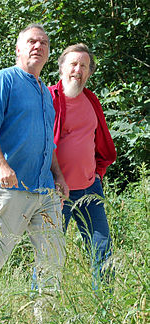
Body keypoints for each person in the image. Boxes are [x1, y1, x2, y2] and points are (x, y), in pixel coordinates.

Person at [0, 24, 69, 294]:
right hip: (9, 185)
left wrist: (58, 176)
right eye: (31, 41)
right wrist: (1, 165)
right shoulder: (3, 80)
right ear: (18, 49)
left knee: (53, 260)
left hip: (45, 189)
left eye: (43, 43)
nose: (38, 46)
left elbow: (47, 142)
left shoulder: (46, 93)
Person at [48, 44, 117, 289]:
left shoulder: (91, 99)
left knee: (102, 247)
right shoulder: (49, 98)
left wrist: (97, 174)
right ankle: (43, 313)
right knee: (50, 254)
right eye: (73, 64)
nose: (78, 70)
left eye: (84, 66)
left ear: (88, 73)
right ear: (62, 68)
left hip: (90, 188)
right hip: (56, 192)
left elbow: (100, 142)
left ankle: (105, 307)